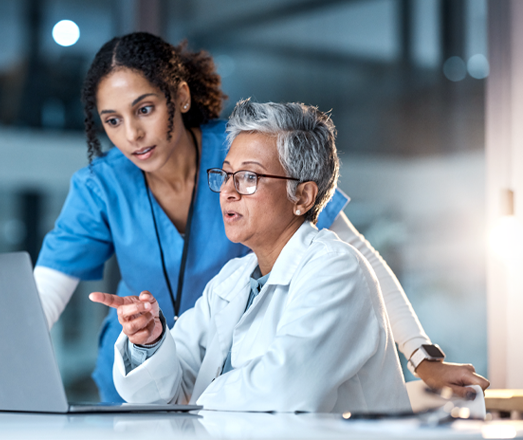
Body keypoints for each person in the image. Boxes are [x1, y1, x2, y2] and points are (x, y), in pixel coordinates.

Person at [34, 32, 488, 402]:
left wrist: (421, 355)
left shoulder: (245, 153)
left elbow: (358, 256)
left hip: (235, 386)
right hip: (165, 372)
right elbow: (41, 301)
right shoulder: (104, 186)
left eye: (145, 110)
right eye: (112, 121)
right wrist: (147, 341)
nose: (131, 135)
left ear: (181, 97)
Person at [91, 99, 411, 412]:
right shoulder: (234, 277)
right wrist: (150, 343)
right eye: (227, 174)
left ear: (302, 196)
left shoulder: (336, 269)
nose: (228, 191)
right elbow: (168, 387)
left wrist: (194, 403)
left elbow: (286, 390)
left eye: (248, 177)